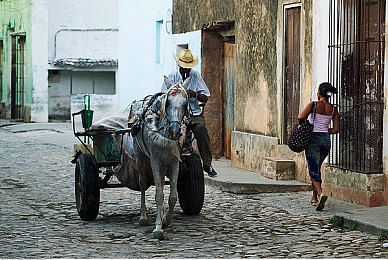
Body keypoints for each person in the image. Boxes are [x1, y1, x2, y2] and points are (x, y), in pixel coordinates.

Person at [162, 48, 217, 177]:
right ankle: (164, 160)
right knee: (164, 130)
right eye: (184, 67)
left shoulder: (196, 75)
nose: (186, 70)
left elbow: (205, 97)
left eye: (188, 67)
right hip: (174, 113)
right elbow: (162, 96)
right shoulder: (171, 77)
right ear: (179, 65)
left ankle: (207, 165)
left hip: (193, 113)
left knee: (201, 129)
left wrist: (195, 94)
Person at [298, 82, 340, 211]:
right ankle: (314, 198)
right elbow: (337, 129)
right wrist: (325, 131)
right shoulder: (333, 109)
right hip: (326, 141)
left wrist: (303, 124)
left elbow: (300, 117)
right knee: (317, 167)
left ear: (319, 93)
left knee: (313, 169)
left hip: (313, 139)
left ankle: (321, 193)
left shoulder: (313, 105)